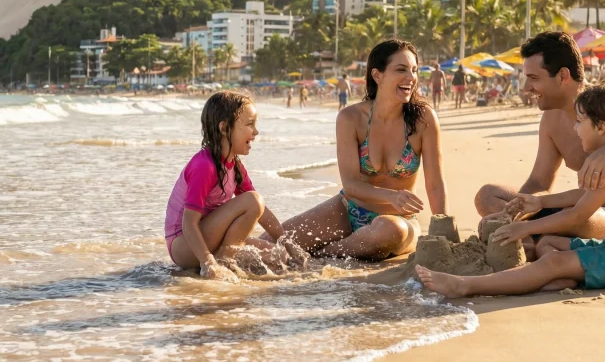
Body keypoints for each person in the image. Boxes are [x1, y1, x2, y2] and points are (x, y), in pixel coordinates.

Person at [418, 79, 605, 296]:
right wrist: (540, 202)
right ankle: (567, 277)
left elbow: (577, 214)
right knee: (547, 243)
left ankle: (465, 285)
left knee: (552, 260)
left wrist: (525, 227)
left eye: (580, 122)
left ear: (602, 127)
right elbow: (585, 194)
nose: (575, 128)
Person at [474, 31, 605, 256]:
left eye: (533, 78)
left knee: (579, 219)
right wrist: (512, 211)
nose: (526, 89)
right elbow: (539, 181)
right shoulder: (551, 119)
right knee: (488, 196)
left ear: (562, 76)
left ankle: (533, 243)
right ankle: (531, 242)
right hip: (577, 203)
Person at [273, 40, 448, 260]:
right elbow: (351, 184)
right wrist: (390, 195)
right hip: (349, 209)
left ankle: (320, 254)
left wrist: (445, 231)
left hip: (399, 221)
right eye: (401, 70)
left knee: (390, 231)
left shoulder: (423, 120)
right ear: (378, 75)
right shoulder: (350, 118)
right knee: (274, 242)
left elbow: (435, 184)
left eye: (414, 70)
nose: (411, 77)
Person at [164, 91, 308, 281]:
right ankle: (222, 262)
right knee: (253, 200)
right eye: (249, 124)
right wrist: (207, 262)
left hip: (210, 238)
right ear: (224, 128)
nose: (255, 132)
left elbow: (262, 212)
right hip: (184, 245)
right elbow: (189, 223)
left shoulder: (235, 165)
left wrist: (289, 244)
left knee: (278, 257)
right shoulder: (204, 166)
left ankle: (223, 259)